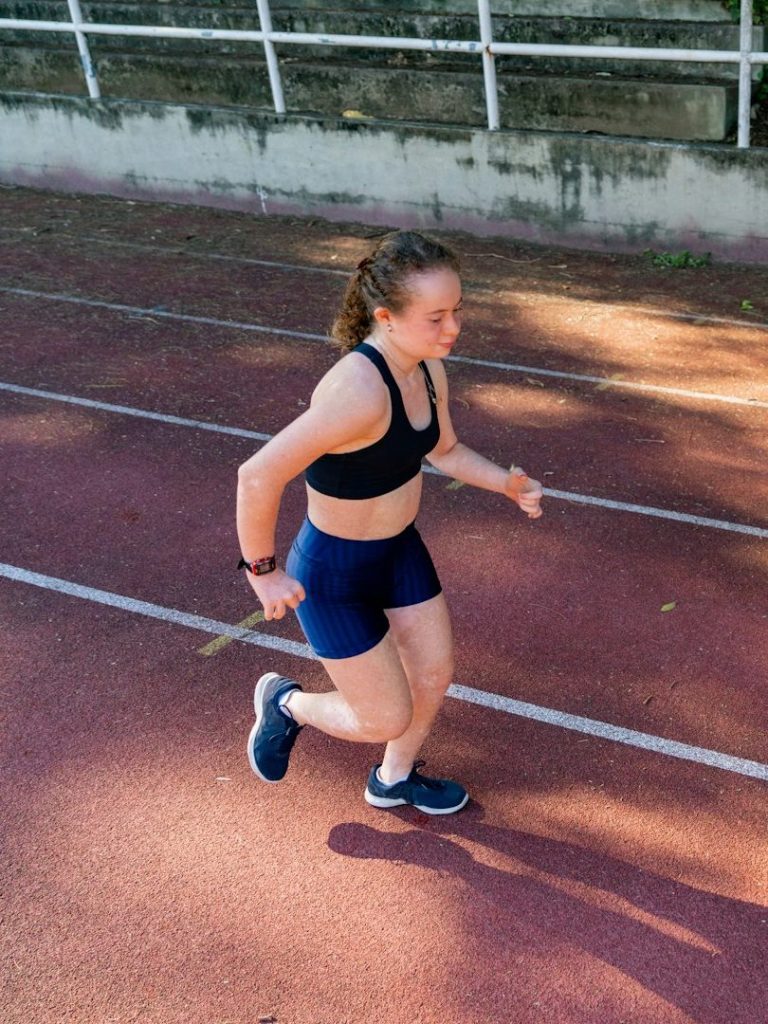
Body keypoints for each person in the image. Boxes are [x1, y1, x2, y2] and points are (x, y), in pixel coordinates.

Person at [236, 230, 543, 815]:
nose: (453, 328)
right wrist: (263, 571)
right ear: (386, 317)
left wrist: (505, 483)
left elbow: (445, 450)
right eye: (437, 317)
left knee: (432, 675)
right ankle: (287, 704)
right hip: (334, 571)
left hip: (399, 550)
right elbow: (257, 475)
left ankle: (393, 778)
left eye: (457, 311)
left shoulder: (426, 368)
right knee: (383, 716)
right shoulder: (356, 391)